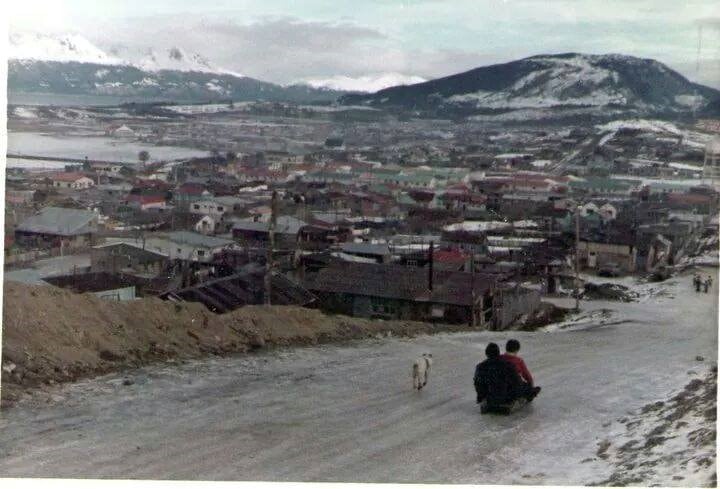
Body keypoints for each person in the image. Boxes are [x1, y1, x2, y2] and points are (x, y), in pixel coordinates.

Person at [474, 343, 540, 408]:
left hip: (488, 397)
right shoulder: (507, 365)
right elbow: (516, 382)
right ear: (498, 353)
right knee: (525, 387)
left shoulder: (480, 367)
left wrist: (481, 397)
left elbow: (477, 383)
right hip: (505, 397)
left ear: (486, 354)